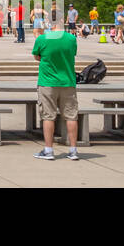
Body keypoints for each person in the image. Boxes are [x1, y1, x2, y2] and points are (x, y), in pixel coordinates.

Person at [33, 13, 80, 161]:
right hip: (68, 81)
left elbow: (37, 56)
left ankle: (48, 150)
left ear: (49, 21)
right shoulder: (71, 39)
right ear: (62, 20)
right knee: (71, 116)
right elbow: (72, 54)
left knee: (48, 116)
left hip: (47, 82)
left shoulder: (42, 38)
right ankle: (73, 150)